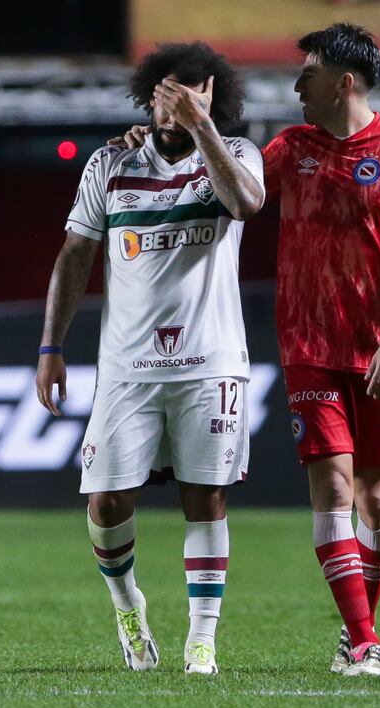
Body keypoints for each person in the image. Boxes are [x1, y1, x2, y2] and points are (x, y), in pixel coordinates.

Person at [36, 42, 264, 675]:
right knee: (106, 502)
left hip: (210, 362)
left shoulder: (238, 155)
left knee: (207, 499)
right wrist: (51, 347)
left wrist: (203, 128)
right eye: (171, 91)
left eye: (198, 91)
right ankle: (128, 606)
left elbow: (246, 204)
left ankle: (202, 641)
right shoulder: (110, 163)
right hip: (128, 369)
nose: (183, 101)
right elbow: (75, 255)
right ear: (149, 95)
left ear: (216, 97)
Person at [263, 24, 380, 677]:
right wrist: (176, 139)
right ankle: (364, 639)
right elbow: (233, 192)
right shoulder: (290, 148)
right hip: (309, 343)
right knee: (333, 483)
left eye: (306, 73)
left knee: (377, 496)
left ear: (343, 82)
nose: (295, 86)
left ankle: (358, 626)